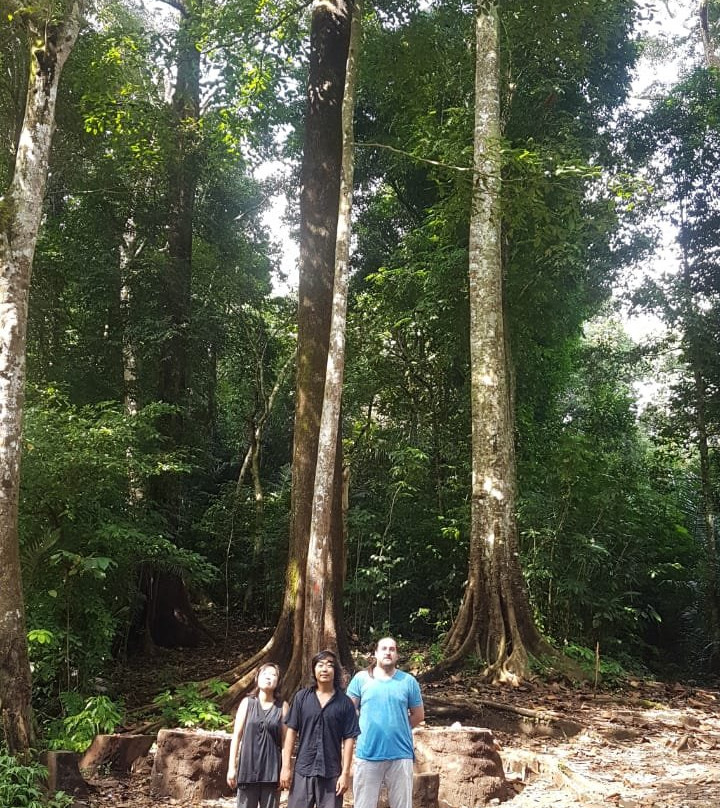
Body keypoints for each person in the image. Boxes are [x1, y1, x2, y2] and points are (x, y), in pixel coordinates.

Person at [347, 636, 424, 808]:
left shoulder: (408, 681)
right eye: (384, 648)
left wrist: (398, 726)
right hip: (367, 752)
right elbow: (348, 710)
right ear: (375, 653)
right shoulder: (361, 679)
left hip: (401, 753)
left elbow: (418, 715)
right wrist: (366, 725)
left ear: (397, 655)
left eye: (392, 649)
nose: (388, 652)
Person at [280, 649, 360, 808]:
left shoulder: (344, 703)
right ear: (313, 670)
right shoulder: (302, 697)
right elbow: (291, 732)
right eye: (320, 665)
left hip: (331, 773)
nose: (324, 669)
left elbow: (349, 739)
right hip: (303, 770)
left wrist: (345, 774)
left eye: (329, 665)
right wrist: (286, 767)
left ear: (335, 671)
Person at [227, 663, 289, 808]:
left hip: (272, 772)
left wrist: (285, 769)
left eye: (273, 675)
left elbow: (286, 741)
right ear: (257, 678)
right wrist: (231, 767)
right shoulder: (247, 704)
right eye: (265, 674)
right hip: (248, 770)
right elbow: (236, 736)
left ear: (278, 681)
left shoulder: (283, 707)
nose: (269, 678)